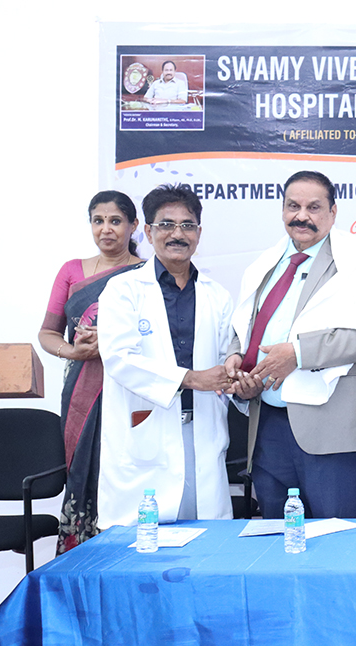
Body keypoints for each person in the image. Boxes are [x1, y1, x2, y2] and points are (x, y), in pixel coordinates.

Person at [225, 171, 356, 520]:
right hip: (267, 424)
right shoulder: (265, 264)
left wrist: (298, 354)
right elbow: (245, 327)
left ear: (333, 212)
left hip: (329, 425)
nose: (302, 216)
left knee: (336, 537)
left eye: (314, 207)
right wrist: (237, 357)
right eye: (293, 206)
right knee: (276, 535)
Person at [96, 184, 234, 527]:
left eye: (187, 225)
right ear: (148, 232)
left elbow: (226, 361)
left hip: (202, 432)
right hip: (146, 434)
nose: (177, 234)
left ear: (198, 233)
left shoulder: (217, 295)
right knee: (142, 545)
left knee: (205, 541)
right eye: (166, 225)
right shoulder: (123, 290)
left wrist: (238, 380)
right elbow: (119, 358)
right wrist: (191, 378)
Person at [38, 191, 145, 552]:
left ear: (133, 226)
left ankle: (126, 555)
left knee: (123, 467)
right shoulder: (72, 270)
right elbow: (48, 332)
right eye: (98, 221)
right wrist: (73, 351)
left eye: (115, 221)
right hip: (81, 390)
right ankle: (80, 558)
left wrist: (113, 341)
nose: (106, 229)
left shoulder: (146, 274)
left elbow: (155, 336)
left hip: (128, 387)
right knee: (83, 471)